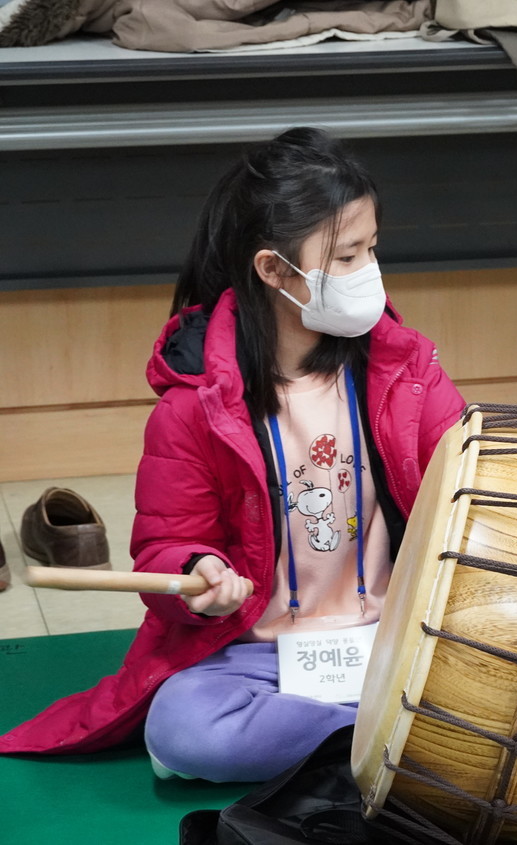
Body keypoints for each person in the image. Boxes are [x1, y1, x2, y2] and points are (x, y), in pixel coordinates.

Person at [0, 127, 466, 781]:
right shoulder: (192, 407)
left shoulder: (405, 369)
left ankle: (368, 737)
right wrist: (201, 575)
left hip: (395, 639)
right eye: (347, 257)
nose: (370, 275)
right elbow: (166, 547)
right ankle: (390, 738)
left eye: (372, 251)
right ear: (274, 269)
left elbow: (469, 484)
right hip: (261, 655)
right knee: (183, 729)